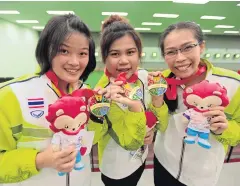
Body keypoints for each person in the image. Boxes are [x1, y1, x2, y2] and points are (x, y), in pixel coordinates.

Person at [0, 14, 100, 186]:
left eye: (83, 53)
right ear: (47, 50)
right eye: (64, 51)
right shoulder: (12, 94)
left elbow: (91, 141)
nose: (75, 62)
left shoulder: (86, 94)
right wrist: (39, 160)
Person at [153, 21, 240, 186]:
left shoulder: (233, 84)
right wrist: (156, 105)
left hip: (203, 174)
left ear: (202, 47)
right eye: (171, 52)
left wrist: (225, 129)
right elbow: (159, 124)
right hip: (164, 163)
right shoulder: (160, 82)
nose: (180, 58)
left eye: (187, 47)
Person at [87, 15, 168, 186]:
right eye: (115, 54)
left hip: (141, 159)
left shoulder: (147, 78)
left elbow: (162, 124)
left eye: (130, 52)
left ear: (139, 54)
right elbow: (129, 142)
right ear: (104, 57)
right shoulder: (103, 93)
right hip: (116, 169)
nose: (124, 61)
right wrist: (135, 108)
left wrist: (157, 103)